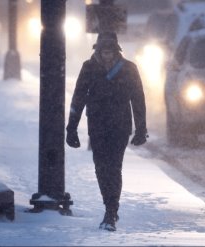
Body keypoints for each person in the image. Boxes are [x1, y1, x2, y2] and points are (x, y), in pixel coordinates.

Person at [66, 32, 148, 231]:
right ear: (98, 50)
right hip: (97, 125)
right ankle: (110, 206)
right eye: (104, 51)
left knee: (113, 167)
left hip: (119, 127)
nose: (107, 55)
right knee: (101, 168)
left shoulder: (129, 69)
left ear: (116, 50)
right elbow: (78, 98)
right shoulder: (88, 68)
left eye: (110, 51)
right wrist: (72, 128)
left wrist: (141, 128)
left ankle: (111, 211)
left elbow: (138, 100)